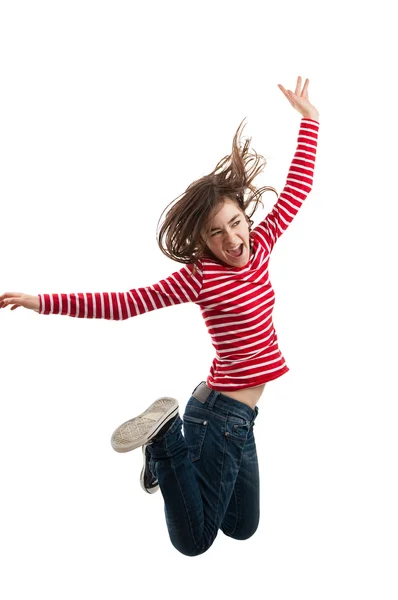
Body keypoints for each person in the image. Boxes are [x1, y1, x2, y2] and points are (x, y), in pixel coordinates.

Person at [0, 76, 320, 557]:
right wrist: (41, 300)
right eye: (217, 234)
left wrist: (310, 121)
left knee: (241, 526)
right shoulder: (201, 278)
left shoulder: (262, 246)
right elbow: (125, 304)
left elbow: (298, 187)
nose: (232, 240)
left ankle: (166, 450)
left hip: (235, 412)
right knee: (196, 541)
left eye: (236, 223)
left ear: (246, 218)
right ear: (203, 242)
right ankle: (168, 438)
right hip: (222, 415)